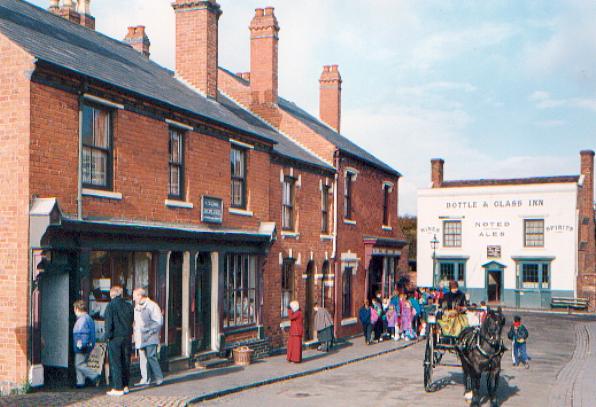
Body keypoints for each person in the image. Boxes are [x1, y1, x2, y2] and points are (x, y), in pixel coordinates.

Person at [104, 286, 134, 397]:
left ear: (111, 294)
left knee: (116, 362)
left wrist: (107, 336)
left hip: (115, 338)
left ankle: (117, 387)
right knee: (126, 361)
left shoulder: (110, 306)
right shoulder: (129, 306)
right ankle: (125, 386)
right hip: (127, 337)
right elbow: (131, 320)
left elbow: (109, 324)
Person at [133, 288, 164, 387]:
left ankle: (159, 378)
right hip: (140, 337)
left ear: (140, 296)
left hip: (150, 336)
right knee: (143, 358)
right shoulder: (137, 307)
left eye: (135, 296)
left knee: (151, 356)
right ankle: (145, 378)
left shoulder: (152, 306)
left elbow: (159, 322)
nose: (133, 299)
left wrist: (149, 331)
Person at [72, 300, 99, 388]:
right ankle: (80, 382)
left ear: (77, 309)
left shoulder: (82, 320)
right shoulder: (88, 318)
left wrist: (81, 344)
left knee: (79, 364)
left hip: (82, 346)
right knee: (82, 363)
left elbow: (83, 333)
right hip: (89, 345)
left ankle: (94, 375)